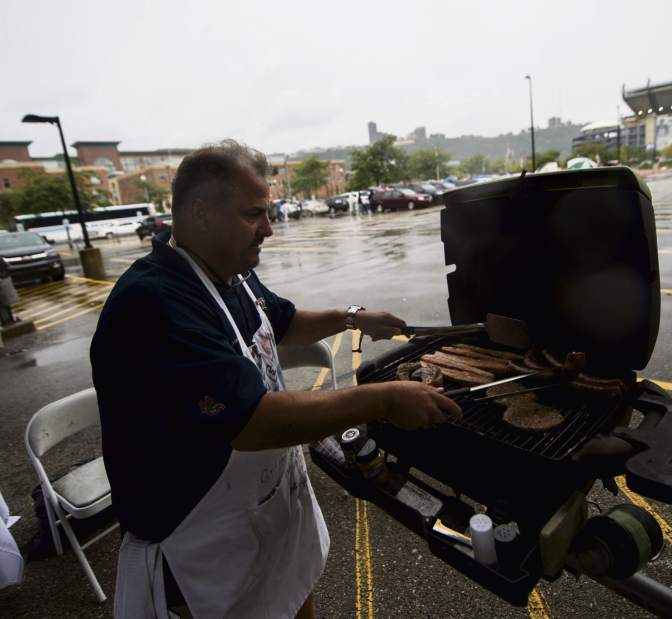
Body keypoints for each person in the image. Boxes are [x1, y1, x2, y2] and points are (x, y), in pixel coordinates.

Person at [90, 140, 461, 619]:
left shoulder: (231, 273)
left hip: (264, 504)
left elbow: (283, 322)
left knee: (291, 589)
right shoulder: (154, 304)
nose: (268, 228)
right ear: (201, 213)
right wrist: (384, 399)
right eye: (253, 215)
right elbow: (254, 422)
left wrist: (353, 317)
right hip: (200, 535)